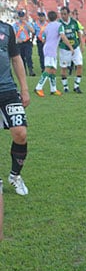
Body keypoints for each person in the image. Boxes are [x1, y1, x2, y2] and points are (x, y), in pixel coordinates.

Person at [0, 16, 31, 198]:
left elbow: (16, 59)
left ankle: (15, 175)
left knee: (20, 133)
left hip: (8, 90)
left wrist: (25, 89)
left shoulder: (7, 29)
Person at [34, 11, 64, 97]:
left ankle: (53, 89)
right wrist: (70, 47)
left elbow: (43, 39)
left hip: (49, 48)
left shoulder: (46, 27)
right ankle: (38, 87)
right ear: (57, 17)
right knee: (48, 68)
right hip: (51, 50)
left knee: (53, 70)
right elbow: (62, 36)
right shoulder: (59, 25)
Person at [57, 7, 84, 94]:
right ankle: (65, 87)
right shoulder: (59, 23)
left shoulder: (74, 22)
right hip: (64, 49)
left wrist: (82, 44)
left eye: (65, 13)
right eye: (62, 14)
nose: (63, 15)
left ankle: (76, 86)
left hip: (75, 47)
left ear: (69, 14)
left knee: (79, 65)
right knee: (64, 68)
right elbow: (62, 36)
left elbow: (79, 32)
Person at [12, 10, 36, 77]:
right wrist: (17, 39)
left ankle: (30, 70)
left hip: (27, 42)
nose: (21, 18)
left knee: (28, 56)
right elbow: (14, 34)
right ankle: (24, 71)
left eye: (22, 16)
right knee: (21, 58)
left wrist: (26, 23)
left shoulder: (28, 23)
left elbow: (33, 31)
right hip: (19, 43)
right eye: (20, 16)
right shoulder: (15, 25)